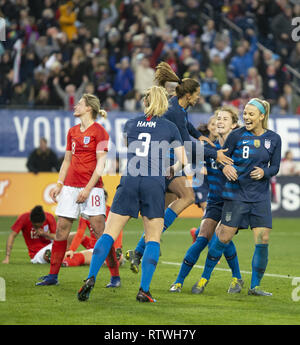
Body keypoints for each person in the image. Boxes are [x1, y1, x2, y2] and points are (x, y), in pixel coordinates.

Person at [77, 85, 188, 303]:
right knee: (153, 237)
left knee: (109, 233)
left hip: (129, 179)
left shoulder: (130, 124)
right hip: (153, 182)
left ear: (145, 102)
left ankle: (90, 278)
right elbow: (183, 160)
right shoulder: (170, 127)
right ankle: (144, 290)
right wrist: (171, 171)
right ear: (164, 104)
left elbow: (130, 146)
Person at [126, 61, 233, 273]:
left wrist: (200, 135)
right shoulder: (175, 110)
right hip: (161, 163)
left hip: (166, 162)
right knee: (185, 199)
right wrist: (215, 153)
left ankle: (138, 251)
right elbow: (186, 144)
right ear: (188, 95)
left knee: (162, 213)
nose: (199, 97)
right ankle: (140, 252)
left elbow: (187, 128)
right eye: (197, 94)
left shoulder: (178, 106)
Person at [193, 98, 282, 296]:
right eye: (245, 114)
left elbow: (275, 166)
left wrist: (265, 173)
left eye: (251, 114)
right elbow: (221, 157)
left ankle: (255, 286)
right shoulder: (236, 135)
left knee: (263, 238)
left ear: (261, 116)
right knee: (223, 236)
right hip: (236, 194)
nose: (247, 117)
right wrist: (226, 167)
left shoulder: (274, 139)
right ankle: (203, 279)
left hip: (259, 196)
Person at [35, 93, 118, 286]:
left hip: (93, 189)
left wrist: (88, 189)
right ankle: (52, 276)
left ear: (89, 108)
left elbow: (101, 165)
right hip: (70, 188)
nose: (75, 106)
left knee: (100, 233)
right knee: (61, 231)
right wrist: (59, 184)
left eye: (79, 104)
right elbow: (67, 160)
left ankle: (115, 276)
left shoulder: (101, 133)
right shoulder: (72, 131)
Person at [169, 105, 244, 294]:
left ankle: (210, 279)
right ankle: (178, 281)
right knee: (202, 237)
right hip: (215, 200)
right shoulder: (210, 149)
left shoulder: (239, 149)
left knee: (220, 237)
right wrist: (172, 169)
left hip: (233, 201)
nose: (219, 121)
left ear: (234, 125)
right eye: (218, 117)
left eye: (225, 118)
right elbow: (185, 159)